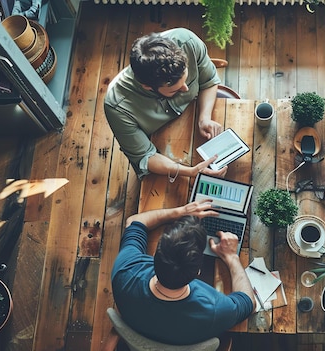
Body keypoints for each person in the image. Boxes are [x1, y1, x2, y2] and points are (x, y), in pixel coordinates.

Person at [110, 199, 255, 346]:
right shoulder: (216, 309)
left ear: (155, 255)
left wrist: (180, 212)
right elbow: (248, 302)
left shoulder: (125, 270)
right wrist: (232, 257)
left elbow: (135, 220)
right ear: (198, 271)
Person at [104, 28, 228, 179]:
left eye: (186, 79)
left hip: (194, 116)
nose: (186, 88)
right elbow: (145, 157)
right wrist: (190, 172)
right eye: (175, 90)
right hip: (163, 154)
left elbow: (208, 81)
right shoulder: (117, 107)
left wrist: (204, 118)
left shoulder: (187, 42)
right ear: (148, 87)